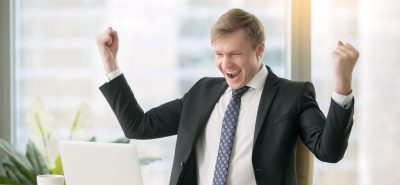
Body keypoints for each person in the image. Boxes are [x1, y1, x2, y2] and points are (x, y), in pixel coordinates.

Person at [96, 8, 359, 185]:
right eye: (218, 54)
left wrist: (342, 84)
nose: (225, 64)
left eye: (235, 54)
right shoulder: (202, 92)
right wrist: (110, 63)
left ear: (260, 50)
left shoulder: (292, 96)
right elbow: (138, 126)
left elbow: (330, 151)